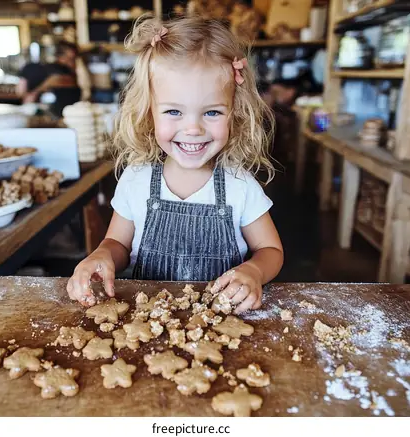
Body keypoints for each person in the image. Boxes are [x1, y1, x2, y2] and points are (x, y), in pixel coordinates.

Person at [67, 16, 284, 314]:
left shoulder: (239, 184)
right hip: (149, 321)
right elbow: (118, 242)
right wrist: (102, 254)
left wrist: (255, 272)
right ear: (148, 114)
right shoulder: (136, 179)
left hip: (220, 320)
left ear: (234, 114)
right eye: (173, 111)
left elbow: (270, 251)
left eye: (211, 113)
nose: (193, 129)